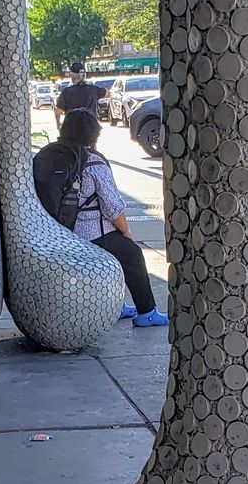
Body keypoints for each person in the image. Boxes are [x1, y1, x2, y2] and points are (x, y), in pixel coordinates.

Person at [36, 110, 167, 326]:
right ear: (93, 134)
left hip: (57, 233)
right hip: (90, 235)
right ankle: (147, 312)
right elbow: (113, 208)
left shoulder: (47, 155)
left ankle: (116, 306)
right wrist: (126, 233)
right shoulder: (93, 162)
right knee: (131, 254)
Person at [55, 62, 105, 130]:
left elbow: (58, 111)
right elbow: (107, 93)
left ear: (71, 75)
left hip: (72, 127)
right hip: (91, 128)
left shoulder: (66, 92)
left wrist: (58, 123)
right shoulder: (93, 89)